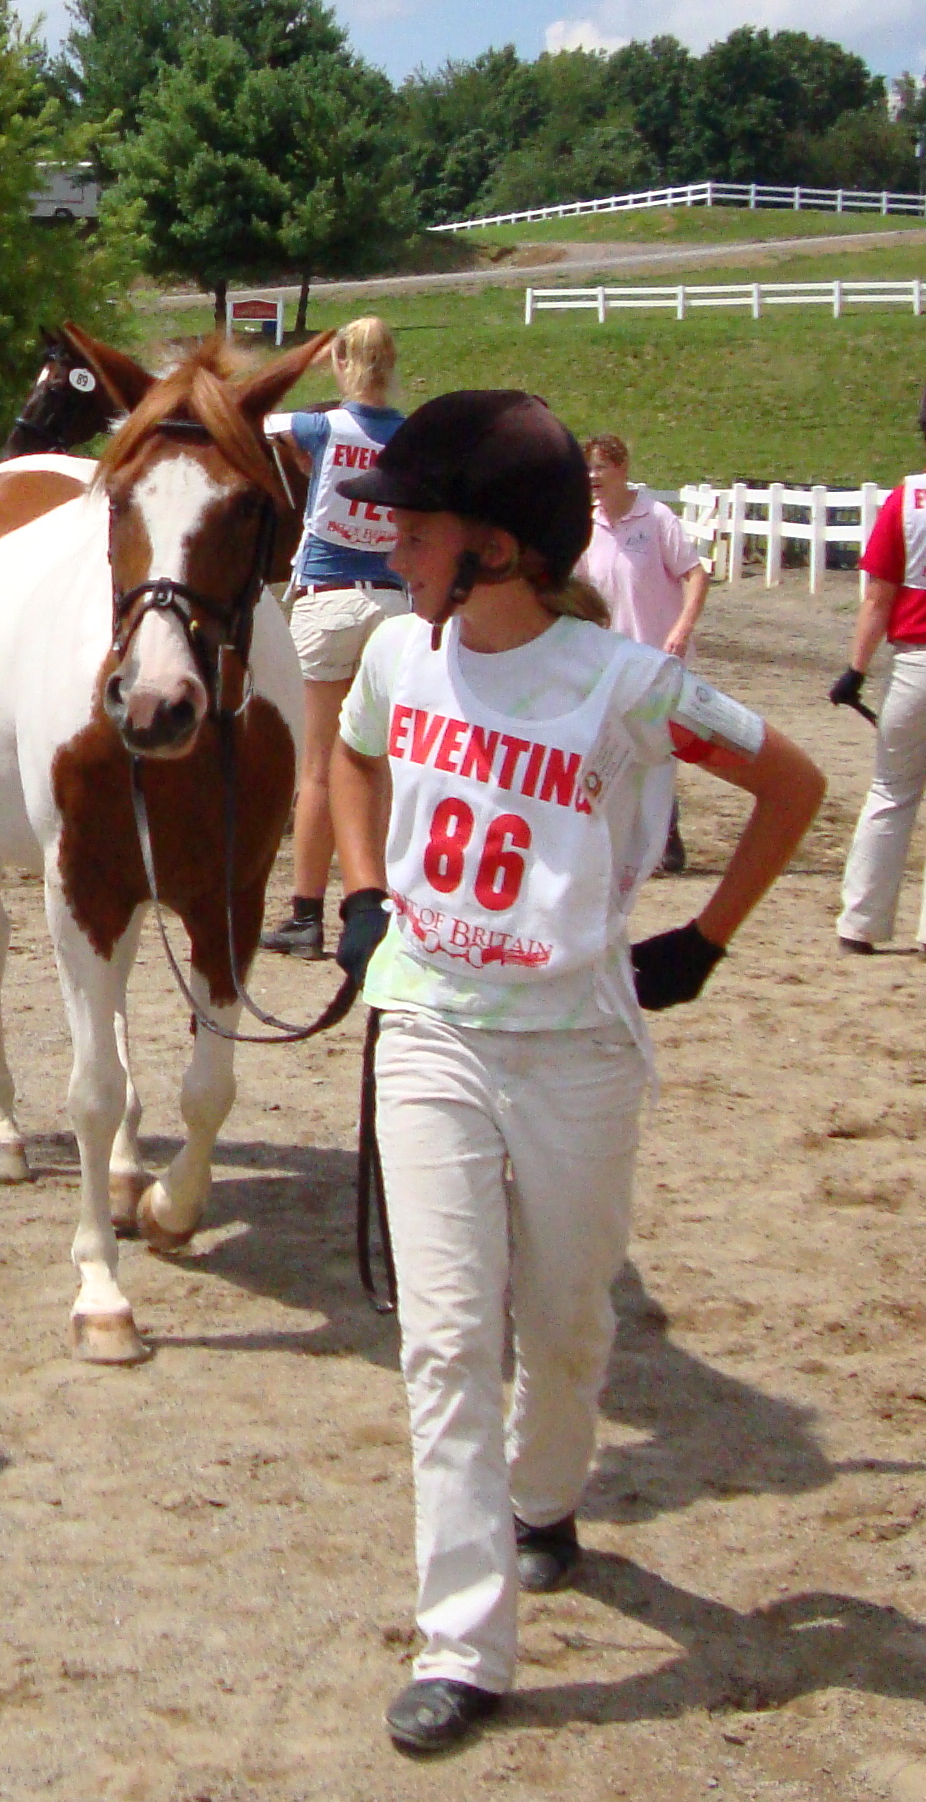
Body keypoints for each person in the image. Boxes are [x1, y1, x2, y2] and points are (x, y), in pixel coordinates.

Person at [327, 390, 823, 1755]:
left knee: (566, 1321)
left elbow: (794, 786)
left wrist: (704, 942)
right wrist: (364, 895)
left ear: (493, 544)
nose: (393, 556)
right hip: (429, 1028)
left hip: (576, 1048)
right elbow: (353, 761)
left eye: (414, 533)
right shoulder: (394, 658)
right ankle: (462, 1638)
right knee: (441, 1338)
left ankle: (549, 1500)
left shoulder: (627, 687)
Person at [258, 317, 408, 959]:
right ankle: (374, 902)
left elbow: (262, 422)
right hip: (396, 604)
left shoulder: (322, 428)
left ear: (343, 365)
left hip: (327, 599)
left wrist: (301, 453)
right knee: (381, 765)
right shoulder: (409, 436)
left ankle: (305, 912)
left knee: (317, 768)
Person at [577, 433, 711, 872]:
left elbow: (694, 575)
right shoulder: (589, 524)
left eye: (601, 467)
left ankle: (665, 834)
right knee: (611, 744)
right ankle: (616, 836)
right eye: (589, 468)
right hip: (608, 656)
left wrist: (682, 627)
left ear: (622, 469)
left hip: (654, 654)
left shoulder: (656, 518)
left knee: (655, 747)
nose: (594, 476)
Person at [831, 388, 926, 954]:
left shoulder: (907, 499)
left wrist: (855, 670)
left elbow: (878, 598)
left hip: (914, 666)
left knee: (891, 791)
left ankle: (860, 923)